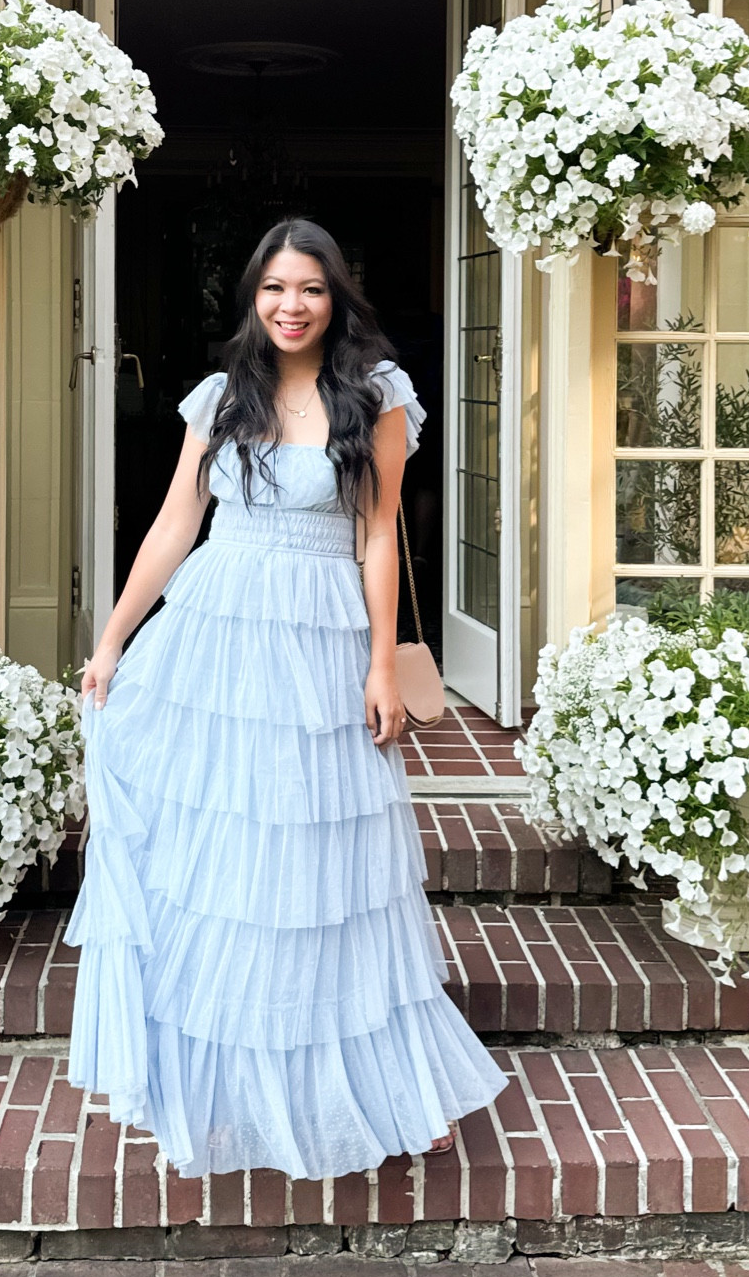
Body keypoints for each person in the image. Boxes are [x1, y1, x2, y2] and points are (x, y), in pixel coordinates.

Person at [67, 218, 507, 1178]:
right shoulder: (221, 396)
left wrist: (381, 663)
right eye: (273, 288)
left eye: (309, 288)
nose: (290, 306)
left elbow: (378, 535)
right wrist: (112, 639)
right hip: (216, 640)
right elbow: (175, 523)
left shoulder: (376, 396)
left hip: (319, 641)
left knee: (324, 867)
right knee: (229, 860)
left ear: (335, 297)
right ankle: (228, 1086)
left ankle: (384, 1086)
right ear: (252, 298)